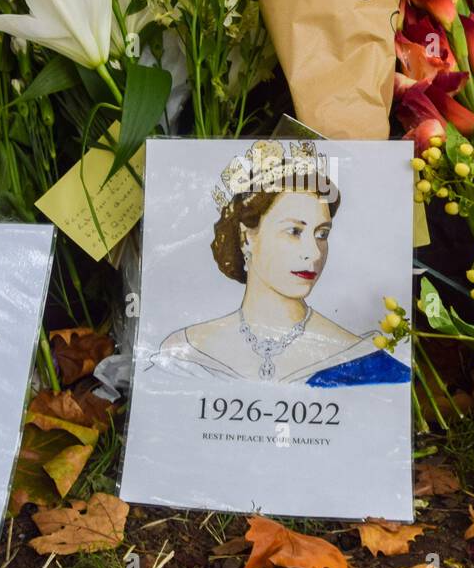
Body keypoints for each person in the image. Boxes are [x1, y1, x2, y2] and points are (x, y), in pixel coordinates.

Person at [150, 141, 411, 387]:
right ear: (246, 237)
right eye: (294, 231)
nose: (313, 253)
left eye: (322, 234)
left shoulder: (363, 361)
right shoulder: (186, 352)